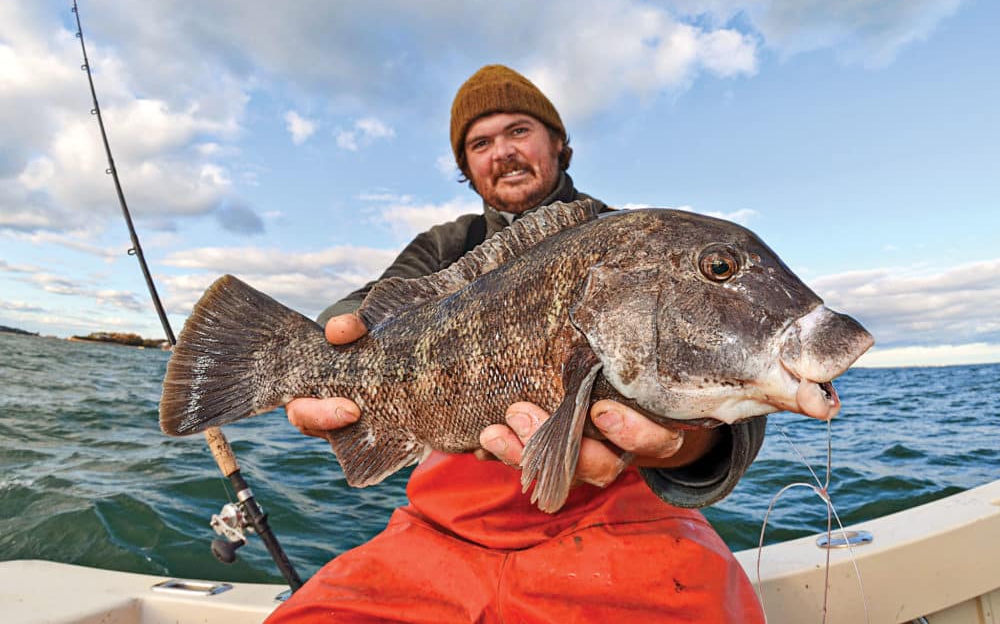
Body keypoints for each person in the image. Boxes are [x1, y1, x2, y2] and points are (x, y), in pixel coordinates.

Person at [268, 65, 767, 623]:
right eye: (481, 143)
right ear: (467, 166)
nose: (501, 151)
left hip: (624, 523)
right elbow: (357, 315)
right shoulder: (446, 247)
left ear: (558, 142)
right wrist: (322, 349)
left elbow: (729, 366)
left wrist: (691, 445)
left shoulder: (637, 242)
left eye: (519, 130)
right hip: (448, 527)